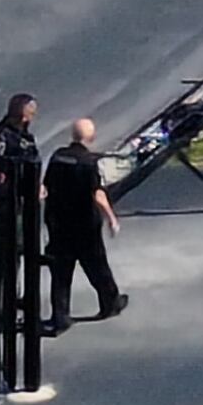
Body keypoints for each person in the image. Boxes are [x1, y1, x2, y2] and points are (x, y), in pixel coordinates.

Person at [40, 115, 124, 333]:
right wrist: (111, 218)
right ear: (92, 137)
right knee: (97, 266)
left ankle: (60, 316)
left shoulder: (58, 157)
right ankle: (109, 303)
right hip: (84, 224)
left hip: (59, 223)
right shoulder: (89, 163)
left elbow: (45, 186)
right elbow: (97, 194)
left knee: (61, 272)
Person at [0, 92, 44, 379]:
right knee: (4, 253)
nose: (32, 118)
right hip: (7, 203)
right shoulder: (2, 137)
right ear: (23, 114)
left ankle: (15, 297)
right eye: (31, 113)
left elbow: (32, 158)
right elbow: (1, 170)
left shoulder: (24, 135)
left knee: (20, 251)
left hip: (24, 202)